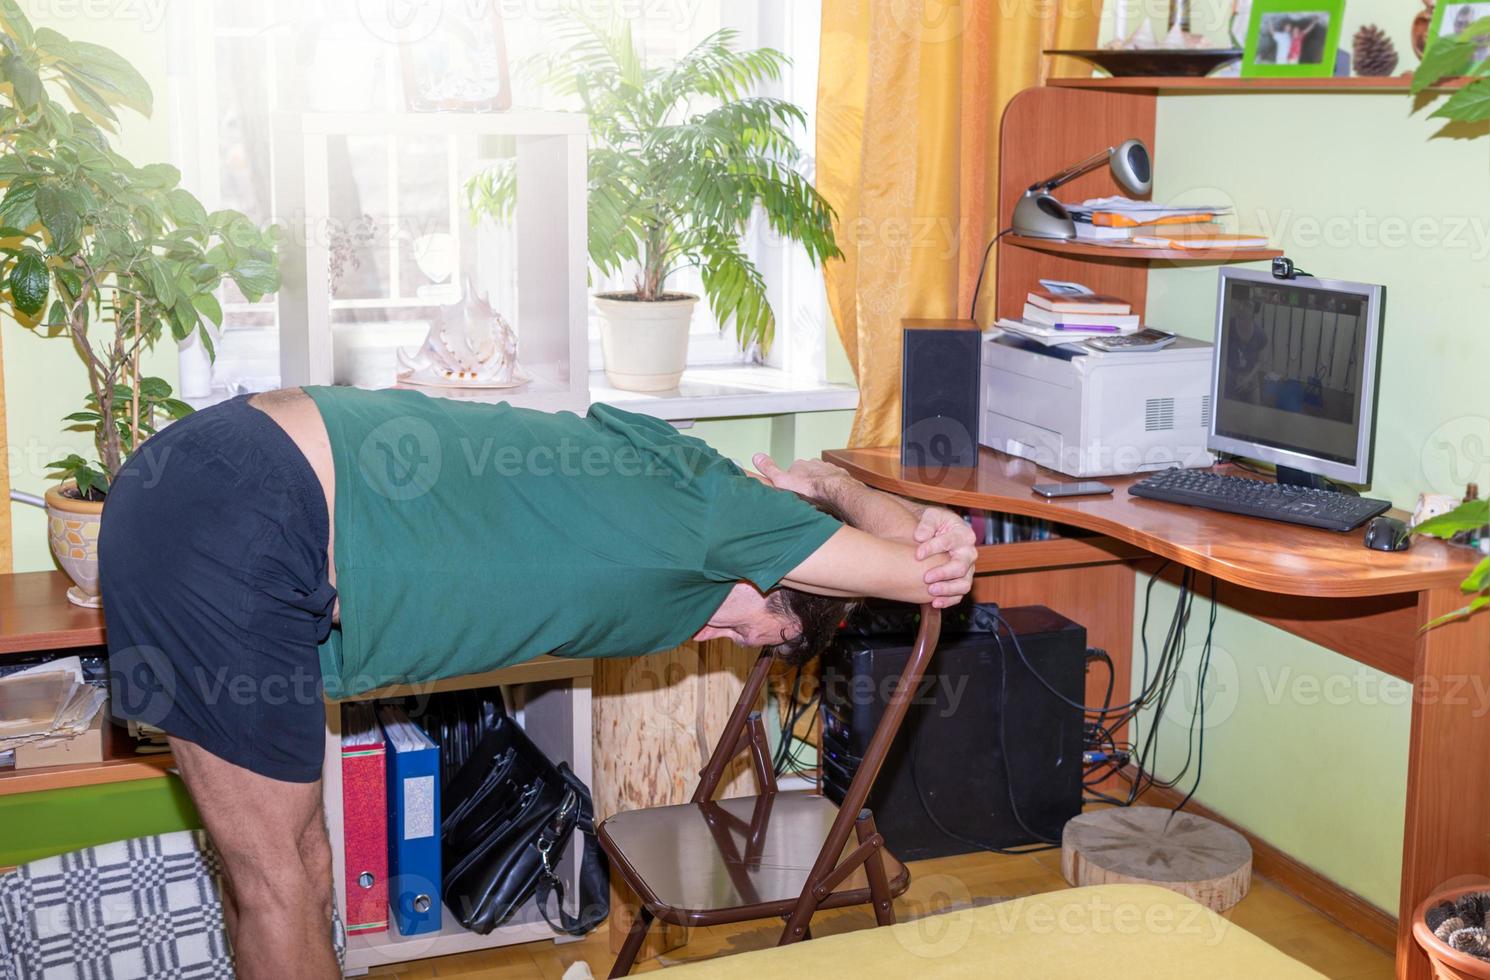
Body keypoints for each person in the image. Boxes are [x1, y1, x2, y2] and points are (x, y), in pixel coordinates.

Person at [98, 385, 977, 979]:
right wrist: (839, 487)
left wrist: (829, 492)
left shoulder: (675, 467)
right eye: (749, 623)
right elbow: (927, 574)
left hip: (237, 492)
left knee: (305, 860)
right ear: (784, 553)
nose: (709, 632)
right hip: (240, 512)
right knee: (277, 876)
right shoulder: (735, 514)